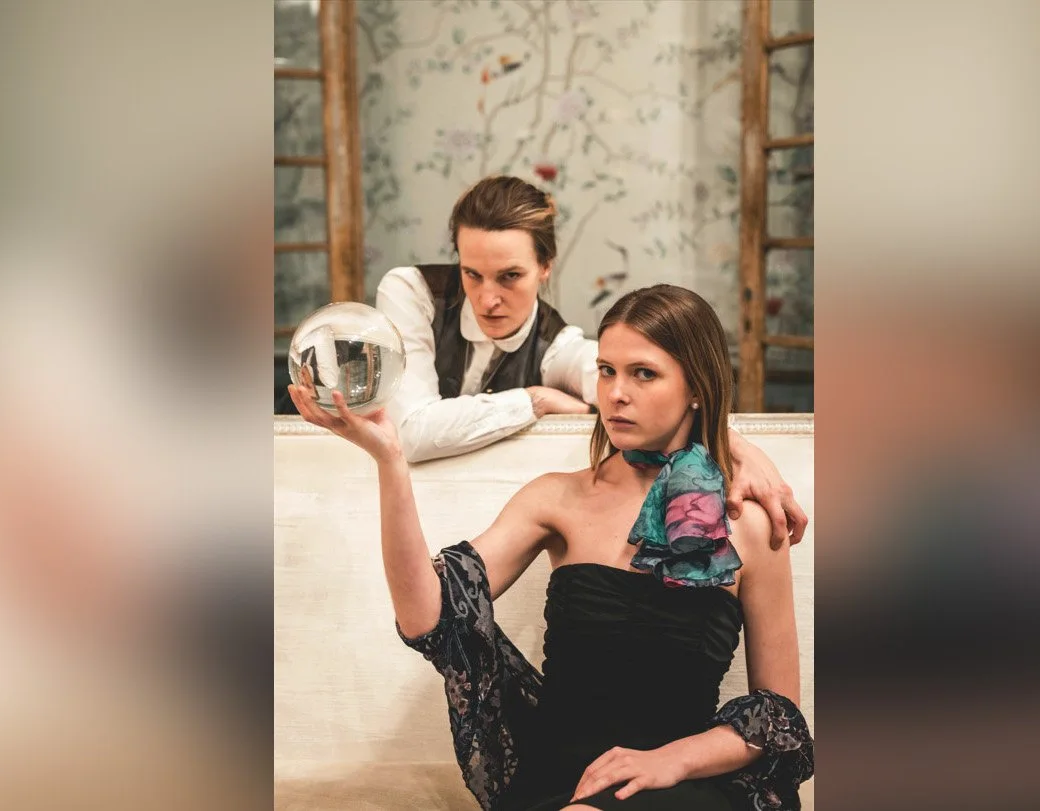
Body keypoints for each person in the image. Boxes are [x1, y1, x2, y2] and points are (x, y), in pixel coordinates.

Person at [288, 284, 813, 810]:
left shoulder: (750, 523)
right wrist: (390, 461)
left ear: (696, 387)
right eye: (606, 370)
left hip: (683, 785)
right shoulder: (556, 498)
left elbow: (780, 716)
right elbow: (426, 617)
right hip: (559, 783)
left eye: (643, 373)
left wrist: (671, 761)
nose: (616, 393)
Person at [371, 175, 808, 547]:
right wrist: (535, 400)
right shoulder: (411, 291)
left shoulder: (557, 344)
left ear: (545, 267)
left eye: (510, 276)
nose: (487, 299)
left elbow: (655, 391)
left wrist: (744, 450)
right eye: (472, 274)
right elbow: (412, 433)